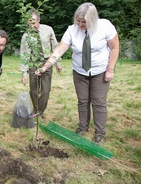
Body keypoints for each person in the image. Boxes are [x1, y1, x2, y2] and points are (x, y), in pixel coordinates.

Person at [36, 3, 119, 143]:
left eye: (84, 22)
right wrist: (45, 66)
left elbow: (115, 48)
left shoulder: (105, 26)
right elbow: (59, 50)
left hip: (100, 71)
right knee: (83, 100)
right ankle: (82, 127)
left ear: (92, 20)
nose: (80, 24)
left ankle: (99, 133)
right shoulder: (71, 30)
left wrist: (110, 70)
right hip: (80, 72)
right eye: (78, 21)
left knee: (98, 102)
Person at [20, 9, 62, 119]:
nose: (31, 24)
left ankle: (40, 110)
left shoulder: (48, 30)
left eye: (33, 21)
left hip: (47, 61)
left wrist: (58, 63)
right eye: (29, 22)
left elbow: (55, 47)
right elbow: (24, 55)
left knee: (46, 90)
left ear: (39, 20)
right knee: (33, 90)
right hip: (33, 62)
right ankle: (35, 109)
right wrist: (24, 73)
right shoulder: (26, 35)